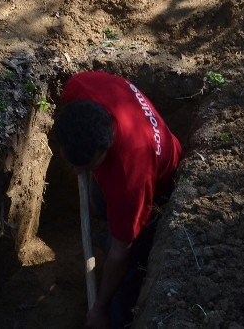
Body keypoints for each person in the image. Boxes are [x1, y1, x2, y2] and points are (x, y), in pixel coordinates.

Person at [53, 71, 183, 329]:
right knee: (99, 200)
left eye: (85, 165)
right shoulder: (80, 88)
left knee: (120, 303)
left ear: (104, 150)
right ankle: (111, 230)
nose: (77, 171)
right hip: (129, 162)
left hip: (159, 185)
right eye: (73, 163)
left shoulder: (129, 180)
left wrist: (98, 309)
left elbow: (120, 254)